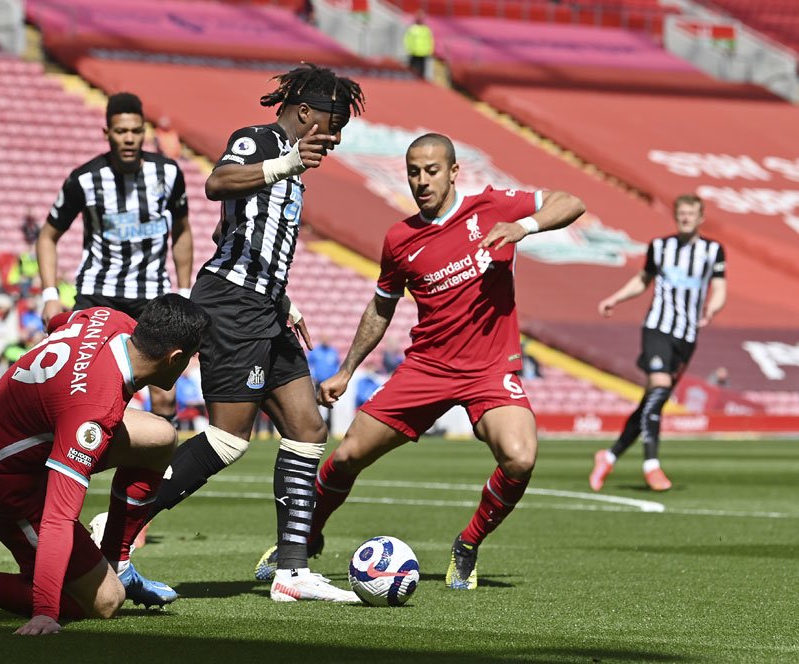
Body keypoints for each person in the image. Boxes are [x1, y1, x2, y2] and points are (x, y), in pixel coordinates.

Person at [258, 133, 584, 591]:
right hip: (426, 368)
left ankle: (467, 544)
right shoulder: (400, 239)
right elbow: (381, 307)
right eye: (414, 172)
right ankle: (305, 537)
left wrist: (523, 227)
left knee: (520, 458)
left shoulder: (493, 207)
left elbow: (571, 202)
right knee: (348, 454)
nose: (422, 180)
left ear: (454, 172)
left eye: (432, 170)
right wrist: (348, 369)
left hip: (489, 370)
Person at [145, 64, 366, 602]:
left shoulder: (297, 170)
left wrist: (283, 300)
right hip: (231, 305)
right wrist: (286, 163)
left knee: (309, 428)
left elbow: (231, 230)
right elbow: (216, 183)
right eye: (332, 124)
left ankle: (291, 572)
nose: (335, 138)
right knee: (228, 439)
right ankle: (118, 523)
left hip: (266, 308)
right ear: (306, 113)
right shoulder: (259, 140)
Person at [0, 296, 210, 636]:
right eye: (191, 357)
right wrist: (44, 612)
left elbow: (58, 323)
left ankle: (118, 562)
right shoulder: (93, 410)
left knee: (159, 436)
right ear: (175, 357)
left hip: (15, 435)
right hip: (1, 480)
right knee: (104, 601)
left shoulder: (108, 318)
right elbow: (58, 516)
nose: (191, 364)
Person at [39, 92, 193, 426]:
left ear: (144, 132)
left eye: (136, 131)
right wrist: (50, 295)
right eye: (121, 131)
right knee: (77, 382)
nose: (129, 138)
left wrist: (183, 292)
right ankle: (70, 459)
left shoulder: (168, 173)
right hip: (98, 293)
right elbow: (47, 236)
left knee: (164, 392)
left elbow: (182, 231)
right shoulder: (84, 179)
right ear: (107, 133)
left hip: (152, 294)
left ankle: (158, 474)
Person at [592, 194, 727, 492]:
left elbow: (719, 286)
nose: (686, 218)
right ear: (676, 216)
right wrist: (615, 298)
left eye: (691, 213)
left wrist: (713, 308)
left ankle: (609, 455)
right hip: (657, 328)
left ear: (701, 217)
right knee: (660, 387)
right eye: (681, 213)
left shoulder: (713, 250)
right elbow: (643, 279)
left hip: (687, 335)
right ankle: (651, 465)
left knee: (652, 402)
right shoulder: (660, 247)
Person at [308, 338, 340, 426]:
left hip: (330, 382)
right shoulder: (315, 351)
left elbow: (337, 365)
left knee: (330, 404)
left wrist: (335, 377)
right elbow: (309, 364)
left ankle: (329, 427)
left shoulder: (333, 352)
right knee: (317, 403)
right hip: (318, 382)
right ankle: (316, 425)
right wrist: (313, 376)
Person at [404, 11, 434, 79]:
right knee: (412, 67)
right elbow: (407, 40)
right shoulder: (412, 28)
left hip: (423, 52)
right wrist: (409, 49)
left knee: (422, 69)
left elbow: (430, 40)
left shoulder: (426, 29)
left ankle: (421, 80)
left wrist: (430, 50)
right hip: (414, 51)